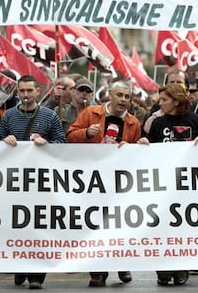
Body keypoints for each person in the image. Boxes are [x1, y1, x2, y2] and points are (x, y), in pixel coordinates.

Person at [67, 80, 148, 287]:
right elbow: (69, 136)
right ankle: (98, 271)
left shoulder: (133, 123)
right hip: (93, 181)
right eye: (119, 95)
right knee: (95, 225)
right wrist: (86, 133)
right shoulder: (90, 113)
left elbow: (137, 155)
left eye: (126, 97)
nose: (123, 100)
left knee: (119, 225)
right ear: (110, 96)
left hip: (119, 183)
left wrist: (137, 146)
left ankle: (122, 263)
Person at [0, 75, 66, 289]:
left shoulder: (49, 115)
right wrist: (4, 141)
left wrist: (48, 143)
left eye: (29, 91)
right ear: (17, 92)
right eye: (22, 91)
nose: (25, 95)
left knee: (39, 226)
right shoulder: (9, 116)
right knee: (18, 225)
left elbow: (62, 142)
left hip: (42, 183)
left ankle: (37, 274)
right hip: (15, 182)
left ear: (37, 92)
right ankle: (20, 266)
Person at [146, 83, 198, 286]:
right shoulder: (158, 123)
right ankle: (163, 269)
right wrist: (143, 144)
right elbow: (149, 146)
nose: (160, 103)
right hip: (163, 185)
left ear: (176, 101)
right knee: (163, 227)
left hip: (188, 185)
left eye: (164, 100)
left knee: (183, 228)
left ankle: (181, 267)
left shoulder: (196, 120)